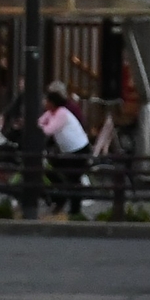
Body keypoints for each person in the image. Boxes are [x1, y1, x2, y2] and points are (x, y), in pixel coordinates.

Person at [38, 82, 91, 214]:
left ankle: (74, 210)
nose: (44, 102)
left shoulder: (62, 113)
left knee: (73, 178)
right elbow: (40, 121)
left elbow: (49, 130)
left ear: (53, 102)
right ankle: (61, 198)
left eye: (47, 100)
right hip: (68, 150)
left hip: (79, 149)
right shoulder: (51, 113)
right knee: (51, 169)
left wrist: (40, 128)